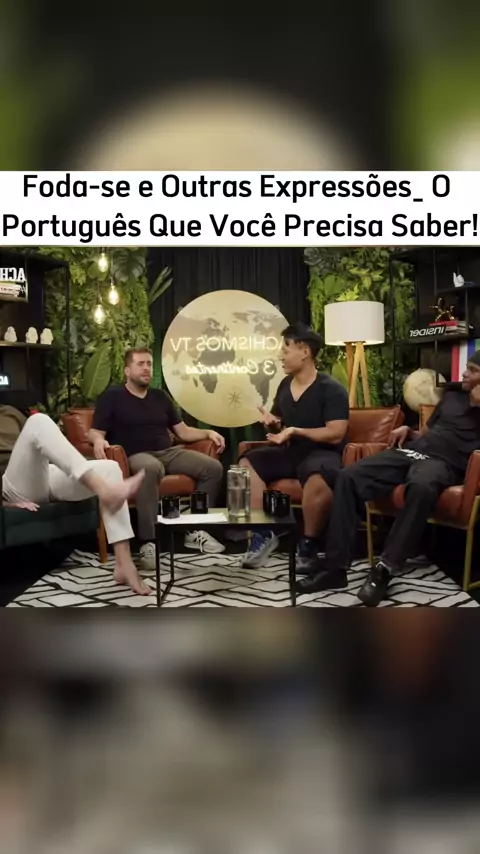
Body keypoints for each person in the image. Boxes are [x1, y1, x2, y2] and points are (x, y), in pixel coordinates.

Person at [297, 351, 480, 606]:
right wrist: (410, 431)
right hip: (410, 452)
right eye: (467, 368)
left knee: (422, 486)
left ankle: (385, 569)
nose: (464, 374)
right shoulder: (452, 397)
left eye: (473, 370)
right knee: (348, 476)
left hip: (442, 465)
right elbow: (428, 432)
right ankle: (334, 569)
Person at [88, 347, 226, 569]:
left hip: (168, 452)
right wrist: (97, 441)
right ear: (127, 370)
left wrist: (208, 433)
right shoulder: (112, 396)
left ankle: (194, 530)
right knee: (150, 469)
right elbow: (95, 431)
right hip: (136, 455)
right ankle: (148, 542)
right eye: (140, 364)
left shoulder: (160, 397)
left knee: (213, 468)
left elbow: (183, 432)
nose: (146, 369)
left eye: (149, 364)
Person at [239, 323, 349, 571]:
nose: (281, 356)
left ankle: (308, 544)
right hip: (290, 451)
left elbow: (336, 433)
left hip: (322, 453)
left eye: (286, 350)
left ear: (305, 352)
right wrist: (274, 423)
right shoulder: (284, 385)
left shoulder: (331, 389)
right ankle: (263, 533)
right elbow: (281, 422)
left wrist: (296, 430)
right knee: (247, 463)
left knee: (318, 475)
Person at [1, 412, 150, 595]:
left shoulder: (10, 412)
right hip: (11, 487)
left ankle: (123, 563)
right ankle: (104, 490)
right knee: (38, 421)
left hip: (40, 474)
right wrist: (5, 503)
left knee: (110, 468)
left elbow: (35, 444)